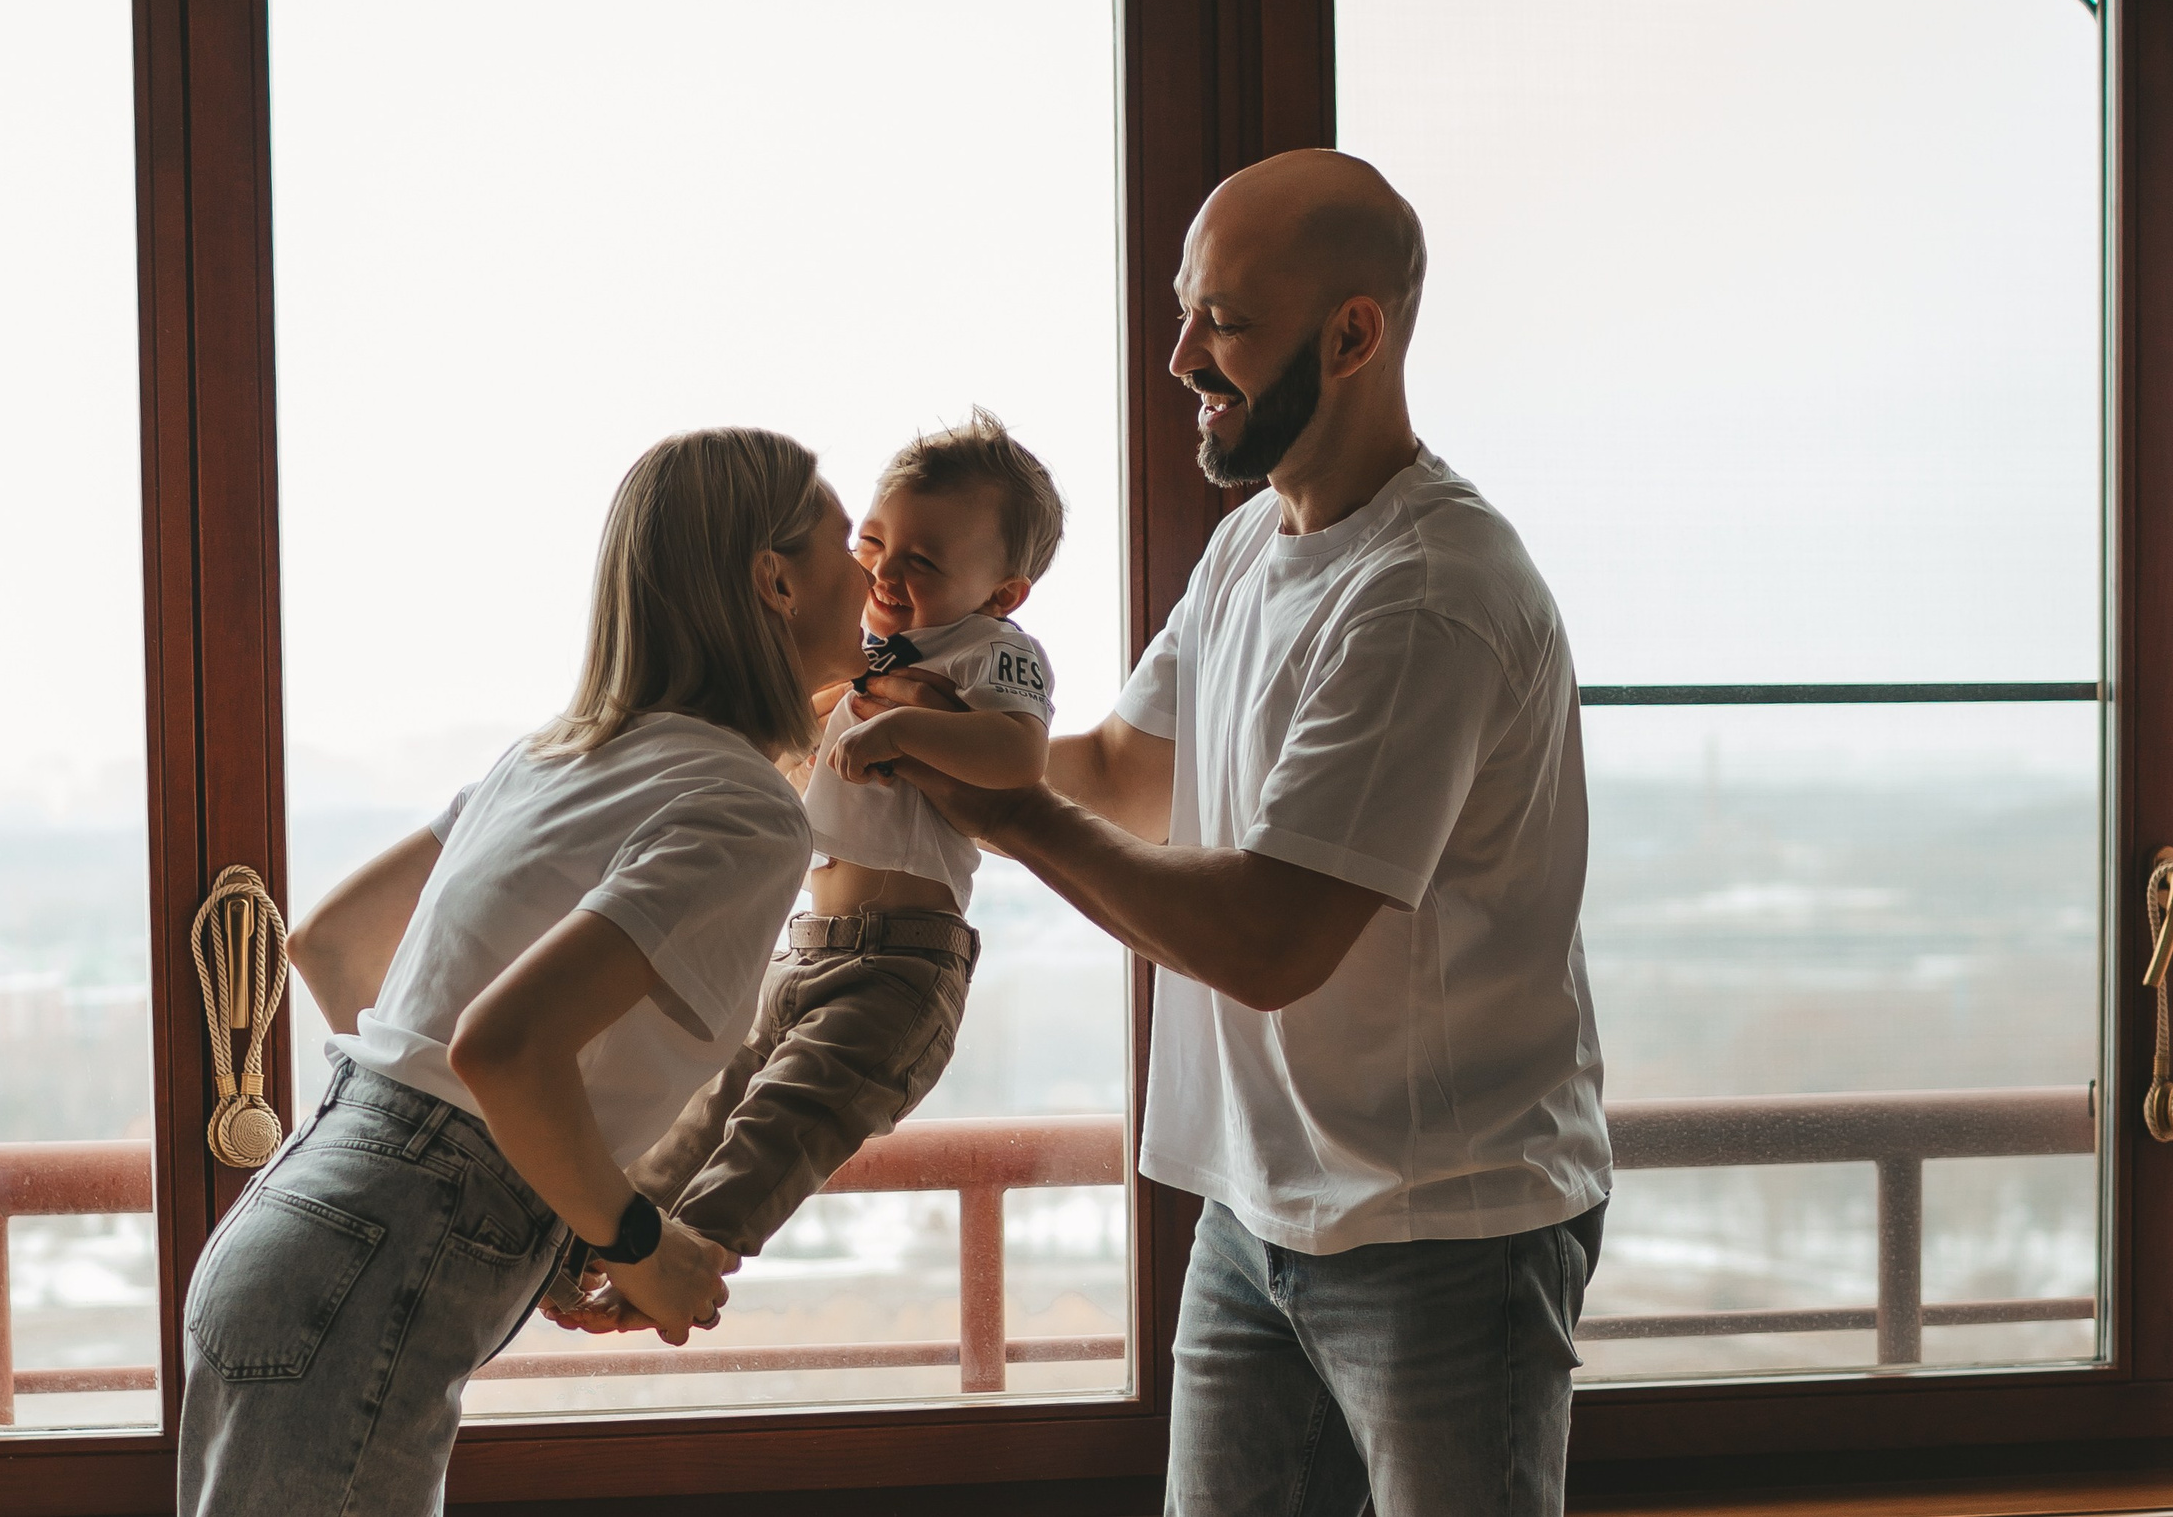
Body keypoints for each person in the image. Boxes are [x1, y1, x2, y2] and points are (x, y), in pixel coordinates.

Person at [868, 150, 1611, 1516]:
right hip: (1255, 1214)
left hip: (1444, 1227)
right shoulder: (1249, 545)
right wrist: (939, 710)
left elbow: (1273, 937)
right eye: (1181, 310)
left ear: (1352, 334)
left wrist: (1013, 813)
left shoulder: (1426, 591)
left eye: (1222, 319)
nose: (1178, 357)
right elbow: (1122, 772)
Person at [178, 426, 873, 1517]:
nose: (873, 570)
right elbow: (501, 1047)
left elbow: (334, 943)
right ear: (775, 580)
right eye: (847, 541)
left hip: (296, 1222)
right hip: (359, 1272)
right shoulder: (741, 806)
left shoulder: (556, 752)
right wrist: (634, 1240)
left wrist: (533, 1183)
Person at [551, 412, 1062, 1321]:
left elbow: (1018, 758)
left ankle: (679, 1269)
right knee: (705, 1112)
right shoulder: (853, 658)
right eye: (873, 545)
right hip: (803, 947)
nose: (887, 577)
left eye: (926, 563)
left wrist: (903, 728)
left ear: (1004, 593)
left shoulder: (995, 656)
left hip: (902, 962)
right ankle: (592, 1239)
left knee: (778, 1126)